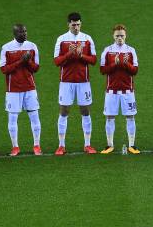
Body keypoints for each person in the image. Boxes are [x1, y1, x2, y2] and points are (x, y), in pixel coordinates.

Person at [53, 12, 97, 155]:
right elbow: (57, 61)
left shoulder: (87, 39)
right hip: (66, 82)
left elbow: (93, 60)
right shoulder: (61, 39)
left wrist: (80, 55)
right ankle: (61, 145)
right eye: (73, 24)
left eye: (78, 24)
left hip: (83, 82)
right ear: (68, 24)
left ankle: (87, 144)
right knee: (64, 111)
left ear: (81, 24)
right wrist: (69, 55)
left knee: (85, 110)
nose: (76, 27)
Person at [0, 24, 42, 156]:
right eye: (21, 32)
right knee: (12, 118)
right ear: (15, 34)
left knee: (34, 117)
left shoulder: (32, 46)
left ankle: (36, 145)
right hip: (13, 90)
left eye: (25, 31)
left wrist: (28, 62)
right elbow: (4, 69)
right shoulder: (6, 48)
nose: (24, 34)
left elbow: (36, 68)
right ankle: (15, 147)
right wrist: (20, 61)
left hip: (30, 88)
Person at [99, 24, 140, 154]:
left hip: (128, 91)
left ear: (126, 35)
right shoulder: (107, 51)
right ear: (113, 36)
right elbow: (102, 70)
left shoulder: (131, 51)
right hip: (111, 91)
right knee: (110, 117)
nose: (120, 38)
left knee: (130, 116)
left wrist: (124, 63)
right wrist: (114, 64)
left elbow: (135, 70)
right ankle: (109, 145)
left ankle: (132, 145)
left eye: (122, 35)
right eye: (117, 36)